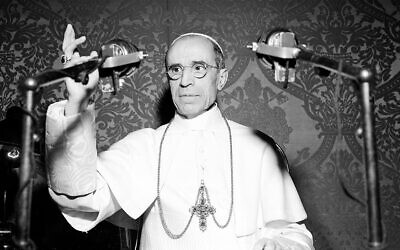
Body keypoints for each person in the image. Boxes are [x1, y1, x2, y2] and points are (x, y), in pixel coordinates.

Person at [45, 24, 314, 250]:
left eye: (198, 68)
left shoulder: (259, 147)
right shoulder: (145, 146)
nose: (185, 81)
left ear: (221, 78)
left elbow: (293, 235)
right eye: (175, 70)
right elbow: (79, 196)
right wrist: (77, 104)